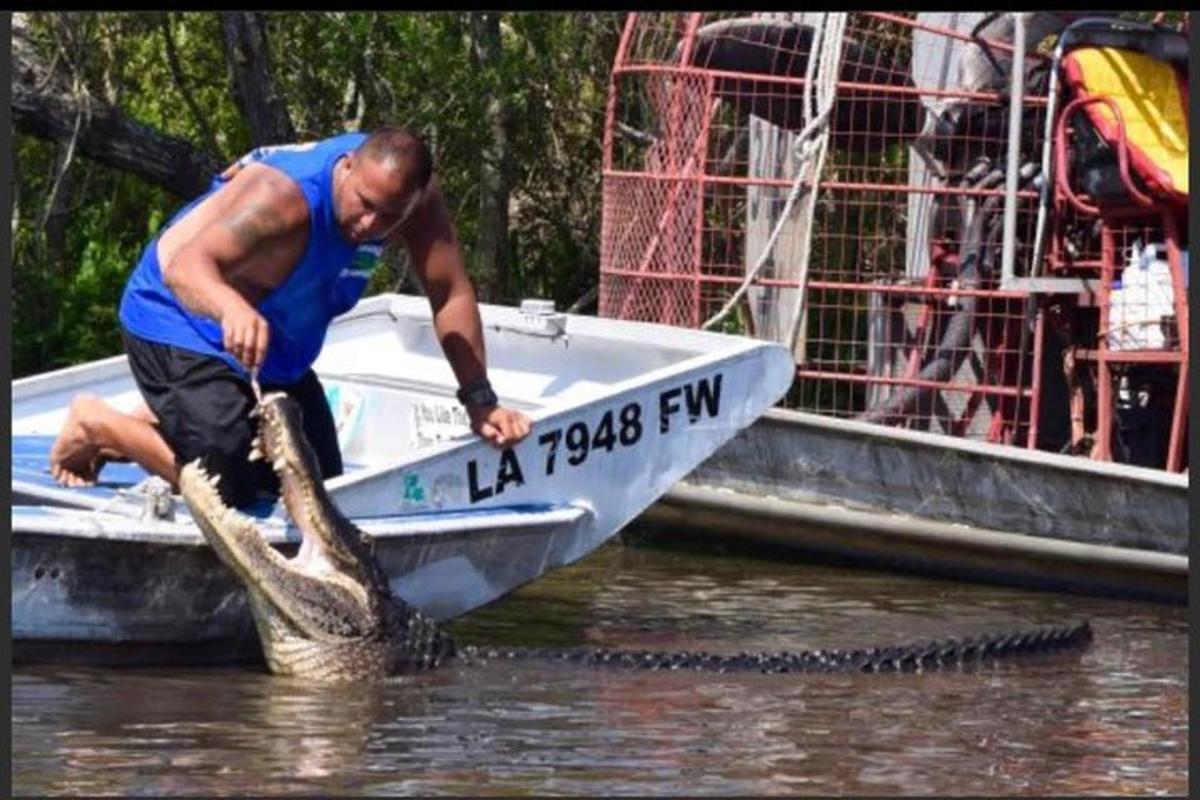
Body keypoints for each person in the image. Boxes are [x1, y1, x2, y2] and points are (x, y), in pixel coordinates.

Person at [49, 127, 532, 508]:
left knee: (317, 491)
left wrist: (481, 400)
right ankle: (96, 424)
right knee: (227, 487)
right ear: (346, 168)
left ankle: (166, 419)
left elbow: (449, 293)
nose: (368, 226)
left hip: (272, 343)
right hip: (177, 315)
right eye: (363, 204)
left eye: (388, 217)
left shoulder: (413, 201)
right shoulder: (283, 197)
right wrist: (231, 306)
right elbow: (186, 268)